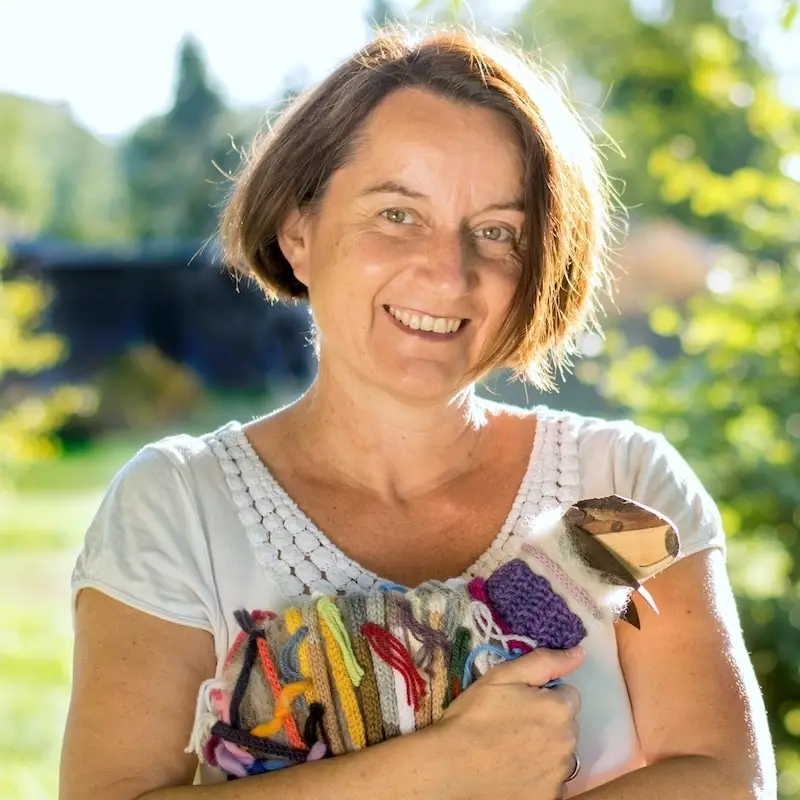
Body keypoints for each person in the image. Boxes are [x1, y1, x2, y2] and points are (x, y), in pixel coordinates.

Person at [60, 26, 774, 800]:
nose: (449, 271)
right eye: (398, 214)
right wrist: (436, 772)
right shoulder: (178, 505)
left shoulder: (627, 485)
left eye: (498, 232)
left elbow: (727, 782)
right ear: (299, 233)